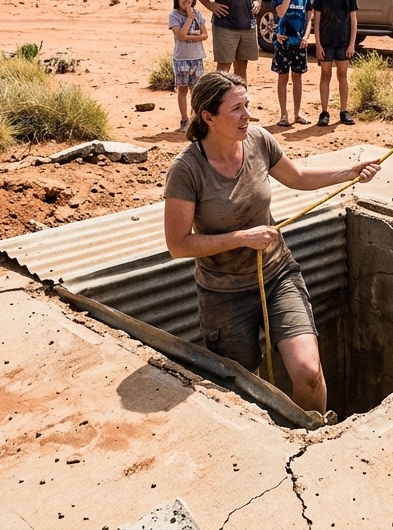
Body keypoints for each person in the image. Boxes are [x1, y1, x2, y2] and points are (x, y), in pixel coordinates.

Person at [162, 72, 380, 414]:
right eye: (237, 109)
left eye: (247, 105)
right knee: (250, 393)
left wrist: (351, 172)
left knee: (308, 373)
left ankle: (314, 439)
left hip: (277, 275)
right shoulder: (187, 170)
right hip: (224, 292)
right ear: (208, 117)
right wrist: (242, 238)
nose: (248, 115)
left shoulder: (259, 141)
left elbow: (298, 177)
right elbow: (178, 245)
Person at [312, 0, 359, 127]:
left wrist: (352, 44)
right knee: (325, 75)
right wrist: (317, 44)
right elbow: (316, 21)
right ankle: (324, 112)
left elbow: (353, 21)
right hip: (325, 43)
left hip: (343, 42)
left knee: (342, 75)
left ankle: (344, 110)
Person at [269, 0, 312, 127]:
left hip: (299, 43)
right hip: (283, 44)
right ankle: (283, 114)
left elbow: (309, 19)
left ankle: (297, 113)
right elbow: (280, 12)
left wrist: (306, 37)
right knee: (282, 77)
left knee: (297, 77)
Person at [168, 0, 208, 132]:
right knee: (183, 90)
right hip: (182, 59)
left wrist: (190, 35)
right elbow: (180, 36)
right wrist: (190, 19)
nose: (186, 0)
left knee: (196, 90)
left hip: (197, 58)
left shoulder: (198, 13)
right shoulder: (174, 15)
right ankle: (184, 119)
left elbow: (205, 35)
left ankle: (196, 118)